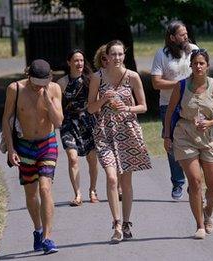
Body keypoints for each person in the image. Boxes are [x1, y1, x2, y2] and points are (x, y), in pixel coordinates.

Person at [88, 40, 152, 244]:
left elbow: (143, 106)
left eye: (120, 54)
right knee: (112, 178)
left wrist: (128, 109)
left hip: (128, 131)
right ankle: (116, 223)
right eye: (113, 54)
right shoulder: (97, 77)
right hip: (105, 131)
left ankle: (126, 223)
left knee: (126, 181)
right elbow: (90, 108)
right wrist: (103, 100)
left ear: (124, 55)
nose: (117, 58)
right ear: (106, 57)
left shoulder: (132, 77)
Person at [163, 49, 213, 239]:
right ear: (190, 65)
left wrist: (210, 122)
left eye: (202, 63)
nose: (198, 66)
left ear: (207, 66)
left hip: (209, 137)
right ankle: (199, 225)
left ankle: (207, 210)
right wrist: (167, 135)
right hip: (184, 135)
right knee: (195, 181)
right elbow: (170, 112)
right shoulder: (181, 86)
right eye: (195, 63)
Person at [2, 59, 63, 254]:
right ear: (29, 76)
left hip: (47, 143)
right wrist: (11, 149)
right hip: (24, 146)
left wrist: (48, 102)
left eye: (43, 84)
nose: (39, 88)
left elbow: (59, 121)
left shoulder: (53, 89)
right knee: (31, 193)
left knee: (45, 189)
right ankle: (37, 229)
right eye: (36, 84)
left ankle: (47, 237)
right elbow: (6, 119)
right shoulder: (15, 89)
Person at [151, 20, 199, 200]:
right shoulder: (161, 55)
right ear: (172, 37)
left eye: (186, 33)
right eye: (181, 34)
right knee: (171, 144)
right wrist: (180, 85)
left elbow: (202, 73)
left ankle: (194, 181)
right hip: (168, 105)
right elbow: (156, 83)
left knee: (195, 141)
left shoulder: (194, 49)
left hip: (193, 104)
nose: (186, 37)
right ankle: (178, 182)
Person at [57, 49, 99, 206]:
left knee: (92, 159)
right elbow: (55, 104)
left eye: (81, 60)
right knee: (72, 158)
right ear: (69, 62)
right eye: (76, 60)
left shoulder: (90, 80)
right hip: (68, 123)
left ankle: (93, 190)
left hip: (88, 121)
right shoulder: (61, 83)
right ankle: (78, 194)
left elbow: (97, 101)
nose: (79, 63)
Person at [93, 44, 123, 201]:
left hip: (121, 125)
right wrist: (104, 101)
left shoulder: (124, 75)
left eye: (109, 57)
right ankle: (114, 185)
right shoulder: (97, 77)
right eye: (103, 58)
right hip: (102, 124)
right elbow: (92, 103)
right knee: (110, 163)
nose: (107, 61)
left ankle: (118, 186)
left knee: (119, 160)